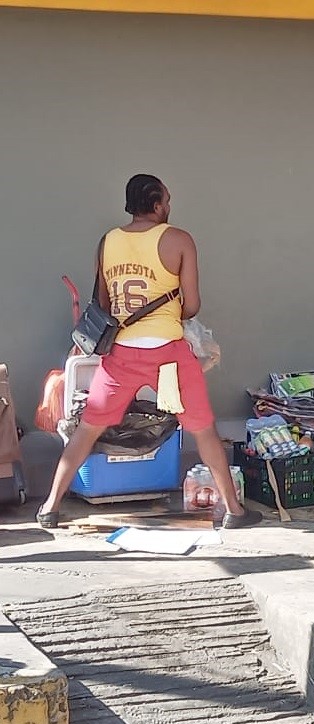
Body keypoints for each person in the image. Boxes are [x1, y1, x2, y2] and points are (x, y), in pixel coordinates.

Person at [36, 174, 261, 530]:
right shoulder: (179, 239)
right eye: (167, 201)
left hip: (121, 355)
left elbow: (105, 303)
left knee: (87, 430)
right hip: (169, 356)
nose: (169, 207)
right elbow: (192, 306)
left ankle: (49, 507)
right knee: (203, 430)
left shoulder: (108, 241)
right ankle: (234, 510)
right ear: (156, 204)